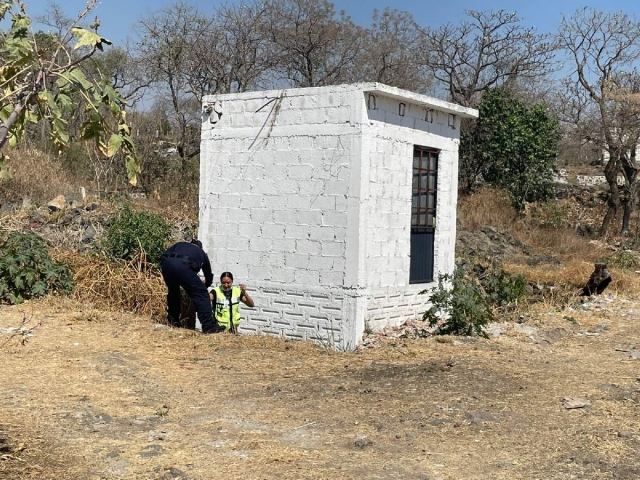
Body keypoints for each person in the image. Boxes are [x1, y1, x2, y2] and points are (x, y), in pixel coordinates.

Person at [160, 239, 217, 334]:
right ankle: (209, 327)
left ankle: (173, 320)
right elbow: (208, 275)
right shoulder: (202, 253)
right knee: (201, 294)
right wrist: (204, 286)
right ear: (200, 247)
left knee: (173, 291)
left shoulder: (179, 244)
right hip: (184, 265)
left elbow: (163, 256)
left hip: (167, 264)